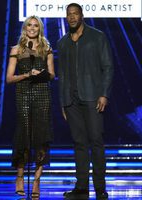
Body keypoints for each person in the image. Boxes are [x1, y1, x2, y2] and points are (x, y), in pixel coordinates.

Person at [57, 3, 114, 200]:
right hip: (71, 102)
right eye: (69, 14)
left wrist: (104, 94)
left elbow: (108, 67)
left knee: (96, 142)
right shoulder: (63, 42)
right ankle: (81, 187)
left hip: (92, 98)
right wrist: (63, 102)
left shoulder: (97, 37)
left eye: (75, 14)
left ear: (82, 15)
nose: (72, 17)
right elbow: (62, 75)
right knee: (79, 143)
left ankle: (100, 188)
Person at [6, 15, 55, 198]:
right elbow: (9, 78)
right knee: (24, 134)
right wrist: (27, 74)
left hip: (43, 93)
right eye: (29, 25)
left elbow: (52, 75)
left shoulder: (46, 48)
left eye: (36, 25)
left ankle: (36, 181)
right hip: (24, 94)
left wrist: (41, 74)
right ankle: (19, 177)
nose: (32, 28)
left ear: (40, 28)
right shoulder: (16, 49)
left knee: (41, 136)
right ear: (25, 28)